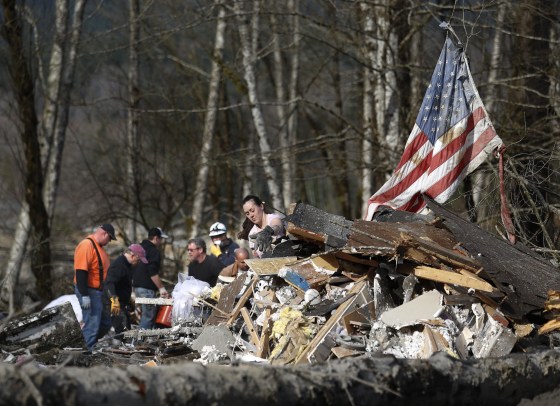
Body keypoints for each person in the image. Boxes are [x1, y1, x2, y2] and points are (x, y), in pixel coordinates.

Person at [73, 223, 116, 351]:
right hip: (88, 291)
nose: (109, 242)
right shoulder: (87, 245)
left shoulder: (99, 248)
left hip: (98, 292)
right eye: (110, 238)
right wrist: (85, 295)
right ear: (105, 234)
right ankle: (86, 353)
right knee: (92, 324)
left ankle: (87, 344)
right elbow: (81, 271)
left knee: (105, 323)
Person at [103, 244, 148, 337]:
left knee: (126, 327)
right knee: (123, 331)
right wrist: (114, 300)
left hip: (122, 302)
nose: (138, 262)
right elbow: (109, 284)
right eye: (138, 260)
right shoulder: (119, 265)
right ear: (133, 256)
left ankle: (123, 346)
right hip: (114, 303)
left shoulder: (127, 265)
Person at [132, 227, 170, 330]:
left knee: (143, 316)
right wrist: (161, 288)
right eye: (160, 239)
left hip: (136, 287)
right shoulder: (153, 251)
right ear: (156, 238)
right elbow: (152, 272)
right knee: (148, 317)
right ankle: (139, 343)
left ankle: (143, 341)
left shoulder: (139, 248)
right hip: (146, 289)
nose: (161, 241)